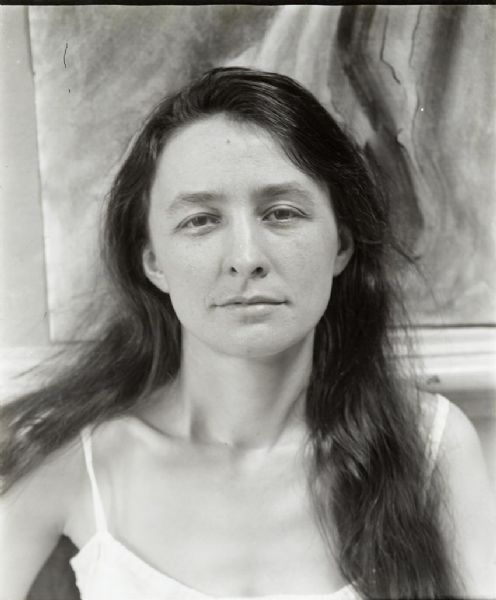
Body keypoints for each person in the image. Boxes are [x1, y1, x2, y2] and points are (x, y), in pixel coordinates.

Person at [0, 67, 494, 600]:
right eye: (200, 220)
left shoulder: (431, 445)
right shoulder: (73, 459)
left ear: (341, 245)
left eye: (281, 213)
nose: (245, 257)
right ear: (153, 262)